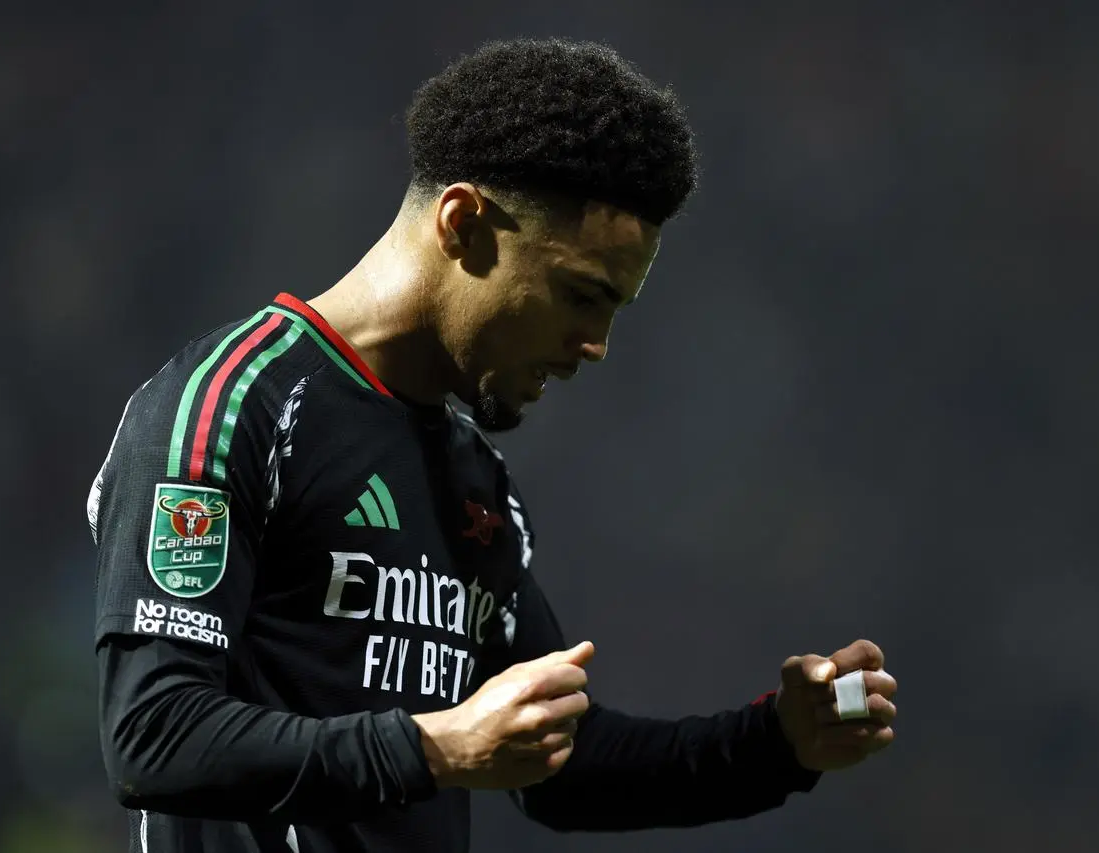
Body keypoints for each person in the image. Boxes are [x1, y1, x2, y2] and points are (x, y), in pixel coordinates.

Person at [87, 38, 898, 853]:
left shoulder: (475, 480)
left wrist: (776, 744)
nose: (597, 343)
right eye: (581, 294)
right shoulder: (231, 407)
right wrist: (438, 746)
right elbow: (157, 734)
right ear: (464, 223)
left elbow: (561, 763)